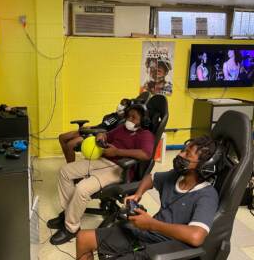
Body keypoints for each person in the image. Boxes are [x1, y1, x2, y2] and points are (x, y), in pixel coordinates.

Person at [76, 135, 219, 260]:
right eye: (183, 150)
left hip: (164, 247)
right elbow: (150, 178)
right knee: (83, 238)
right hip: (146, 233)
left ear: (203, 165)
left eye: (187, 154)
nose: (180, 155)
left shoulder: (207, 195)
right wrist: (138, 194)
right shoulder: (175, 176)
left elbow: (196, 237)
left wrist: (152, 224)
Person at [48, 105, 155, 245]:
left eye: (134, 117)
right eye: (129, 116)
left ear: (143, 120)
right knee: (65, 171)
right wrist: (101, 136)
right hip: (102, 160)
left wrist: (117, 153)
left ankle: (71, 228)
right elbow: (106, 134)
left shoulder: (145, 135)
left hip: (120, 168)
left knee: (82, 188)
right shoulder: (122, 128)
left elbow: (146, 154)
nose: (130, 119)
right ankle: (68, 214)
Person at [59, 98, 131, 163]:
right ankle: (69, 163)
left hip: (96, 135)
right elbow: (101, 125)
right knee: (62, 137)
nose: (120, 105)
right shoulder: (111, 115)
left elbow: (110, 134)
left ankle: (71, 169)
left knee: (70, 144)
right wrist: (90, 127)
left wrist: (94, 131)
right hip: (93, 130)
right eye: (120, 103)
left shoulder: (122, 121)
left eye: (123, 104)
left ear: (127, 109)